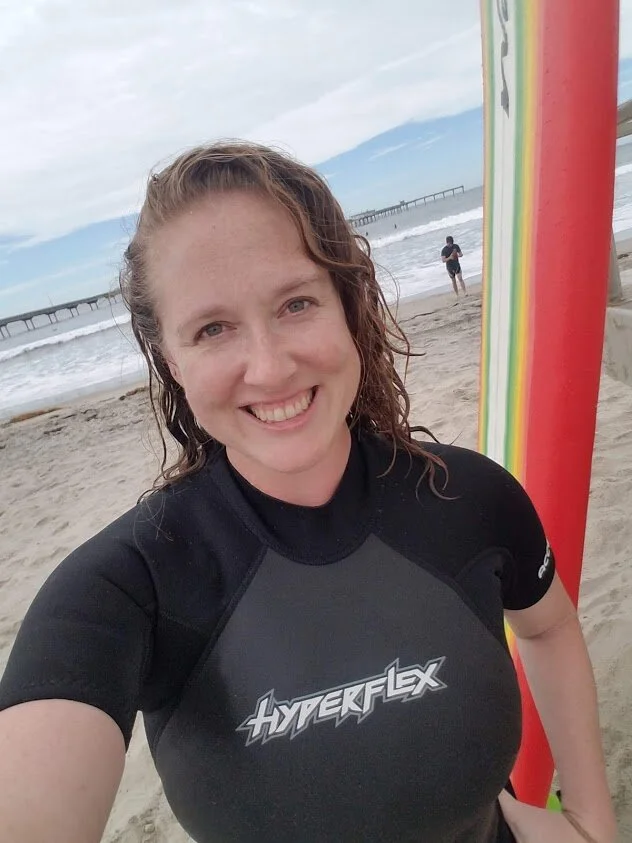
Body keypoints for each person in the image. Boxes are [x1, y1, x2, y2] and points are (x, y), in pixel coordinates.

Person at [0, 143, 616, 843]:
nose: (269, 368)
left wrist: (589, 816)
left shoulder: (470, 497)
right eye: (212, 328)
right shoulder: (125, 586)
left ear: (347, 305)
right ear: (171, 359)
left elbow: (549, 626)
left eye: (296, 303)